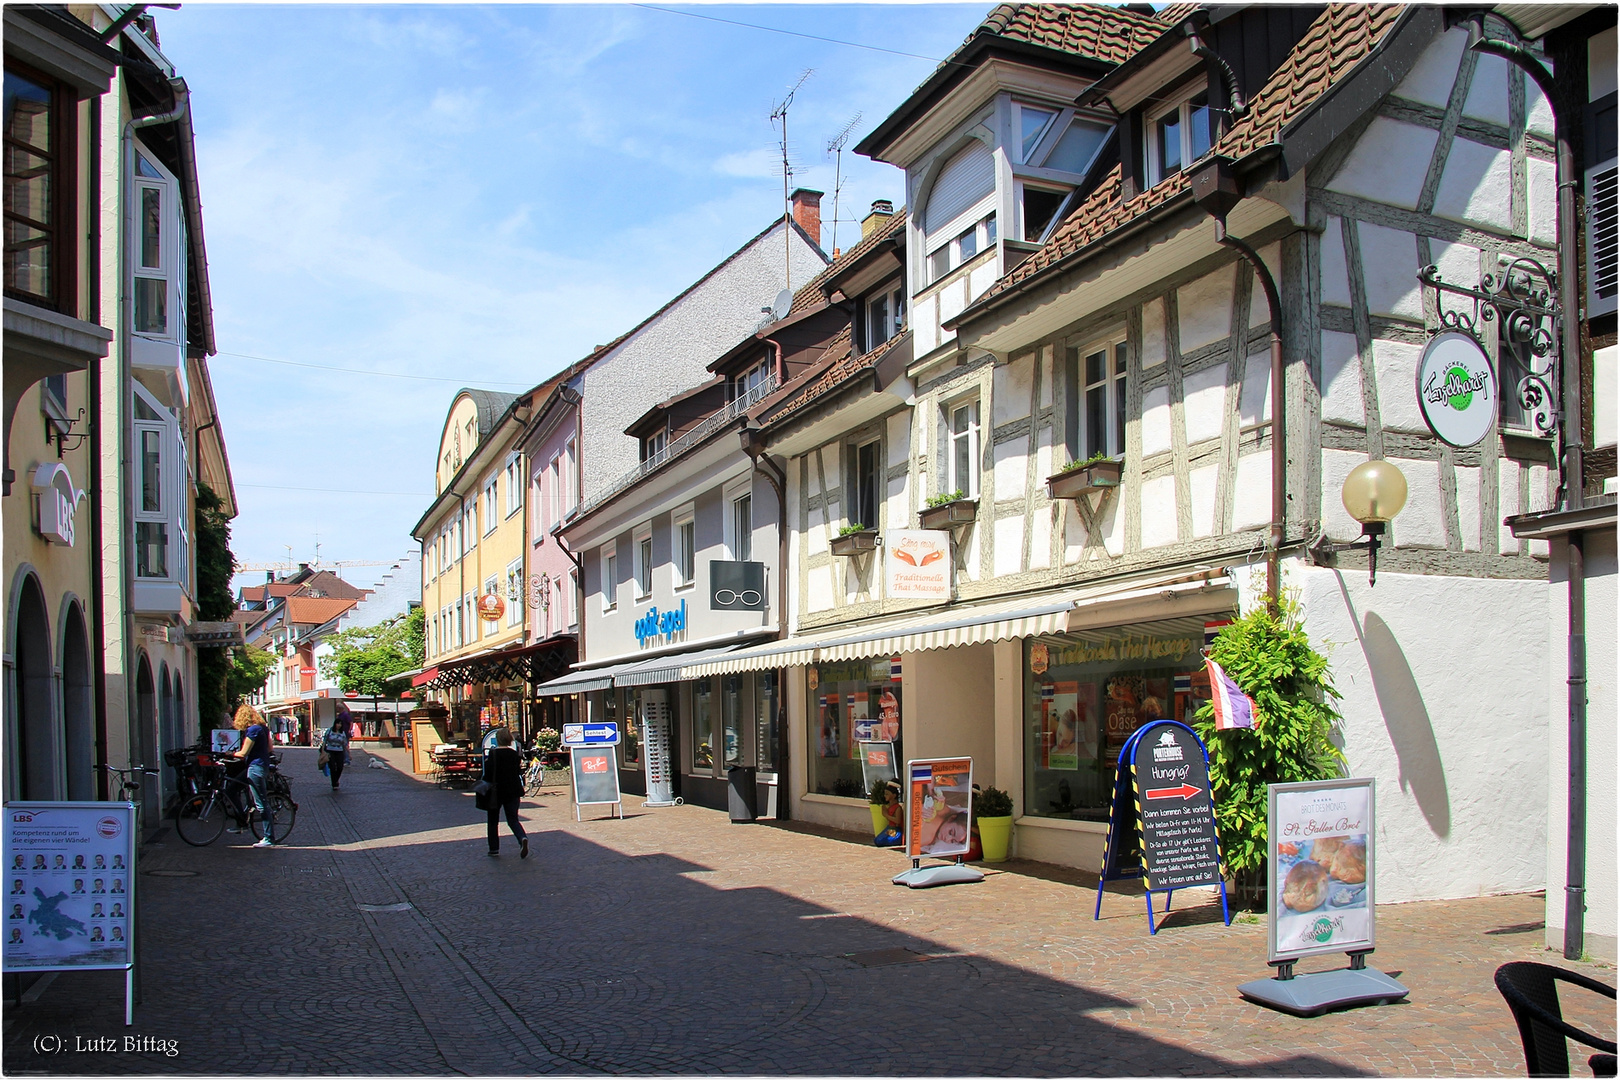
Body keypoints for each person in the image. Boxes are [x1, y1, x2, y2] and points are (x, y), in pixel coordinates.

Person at [225, 704, 279, 847]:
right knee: (232, 788)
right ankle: (241, 822)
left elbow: (243, 753)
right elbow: (270, 748)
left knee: (261, 803)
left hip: (255, 767)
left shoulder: (253, 730)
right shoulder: (263, 728)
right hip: (260, 765)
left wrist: (229, 754)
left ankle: (269, 838)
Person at [481, 728, 527, 859]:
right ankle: (522, 837)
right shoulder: (514, 755)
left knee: (493, 821)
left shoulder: (493, 754)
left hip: (496, 791)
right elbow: (517, 772)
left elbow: (488, 774)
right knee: (513, 819)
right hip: (513, 790)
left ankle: (494, 848)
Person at [323, 707, 352, 790]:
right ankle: (334, 783)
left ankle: (336, 779)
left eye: (340, 724)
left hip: (339, 751)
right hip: (330, 751)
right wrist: (322, 750)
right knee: (332, 767)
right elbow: (325, 741)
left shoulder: (342, 733)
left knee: (340, 767)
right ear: (335, 724)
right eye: (337, 723)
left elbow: (345, 744)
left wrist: (349, 754)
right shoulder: (329, 731)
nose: (339, 725)